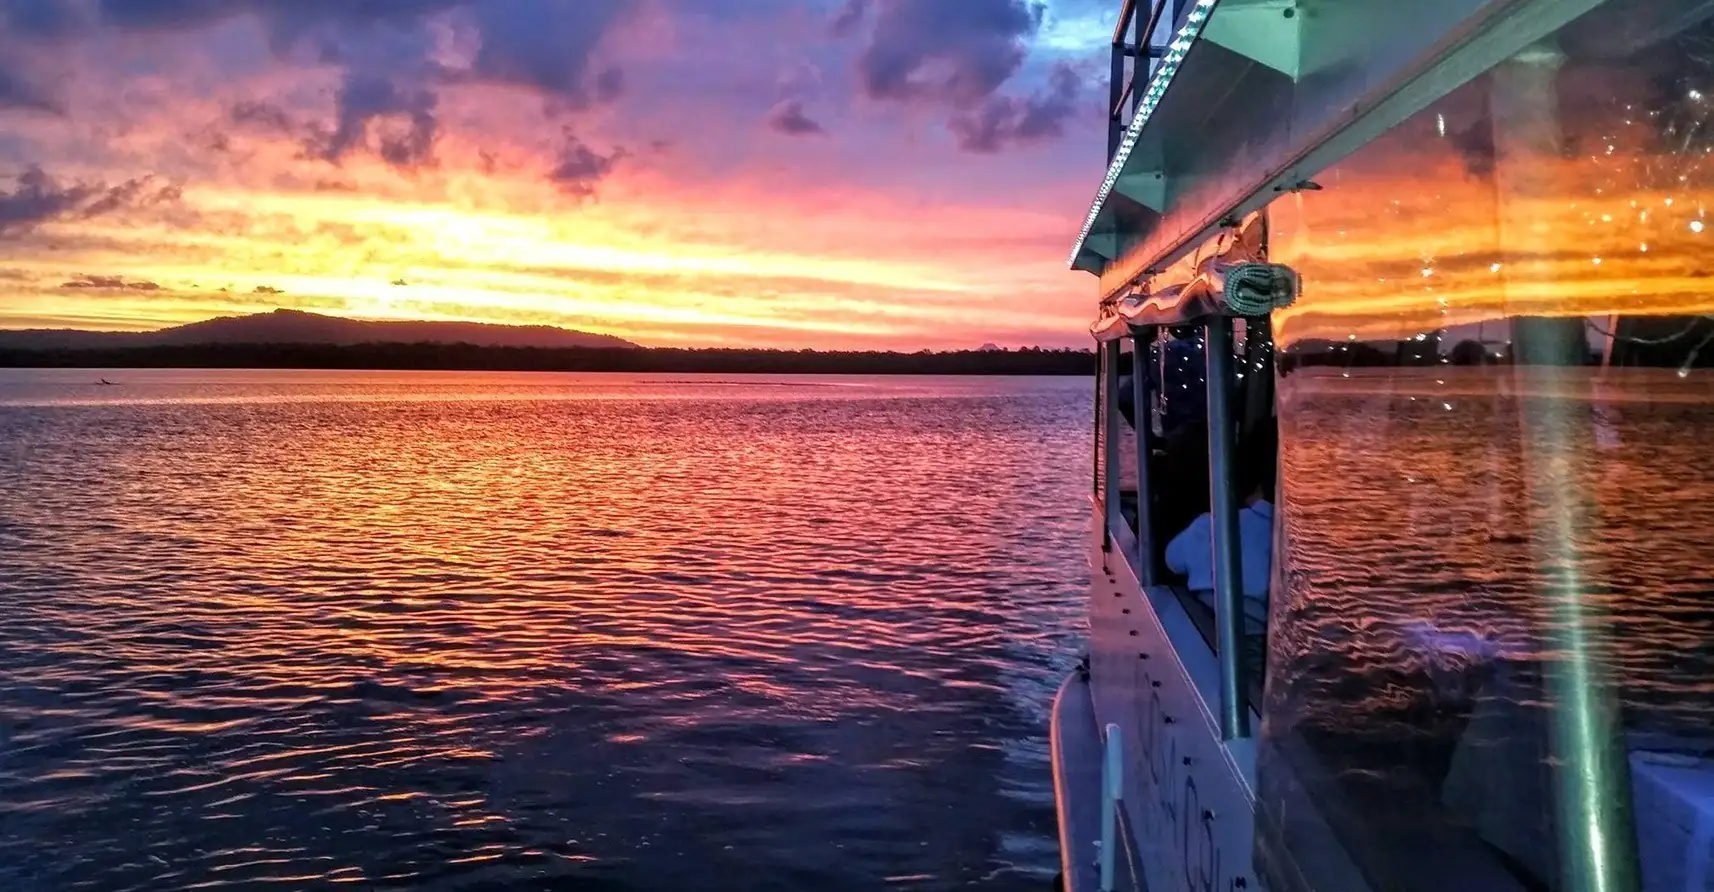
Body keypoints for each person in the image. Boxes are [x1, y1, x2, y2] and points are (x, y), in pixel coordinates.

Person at [1163, 444, 1273, 635]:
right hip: (1267, 634)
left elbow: (1172, 560)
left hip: (1208, 626)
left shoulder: (1210, 525)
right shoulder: (1300, 541)